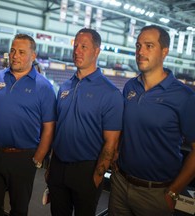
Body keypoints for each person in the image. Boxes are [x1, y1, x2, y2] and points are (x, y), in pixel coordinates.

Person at [108, 25, 195, 216]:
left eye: (149, 46)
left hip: (156, 193)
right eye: (138, 46)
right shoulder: (130, 86)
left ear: (164, 52)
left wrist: (173, 192)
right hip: (121, 184)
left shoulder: (184, 96)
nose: (140, 52)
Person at [0, 33, 56, 216]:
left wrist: (38, 158)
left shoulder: (44, 87)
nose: (15, 55)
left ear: (33, 56)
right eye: (12, 51)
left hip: (24, 158)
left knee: (19, 210)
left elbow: (49, 127)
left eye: (21, 52)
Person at [47, 28, 124, 216]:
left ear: (96, 51)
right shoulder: (65, 87)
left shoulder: (110, 93)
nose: (77, 51)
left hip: (86, 170)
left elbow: (112, 142)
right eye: (75, 46)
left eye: (84, 46)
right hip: (58, 167)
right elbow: (59, 130)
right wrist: (51, 166)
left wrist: (98, 176)